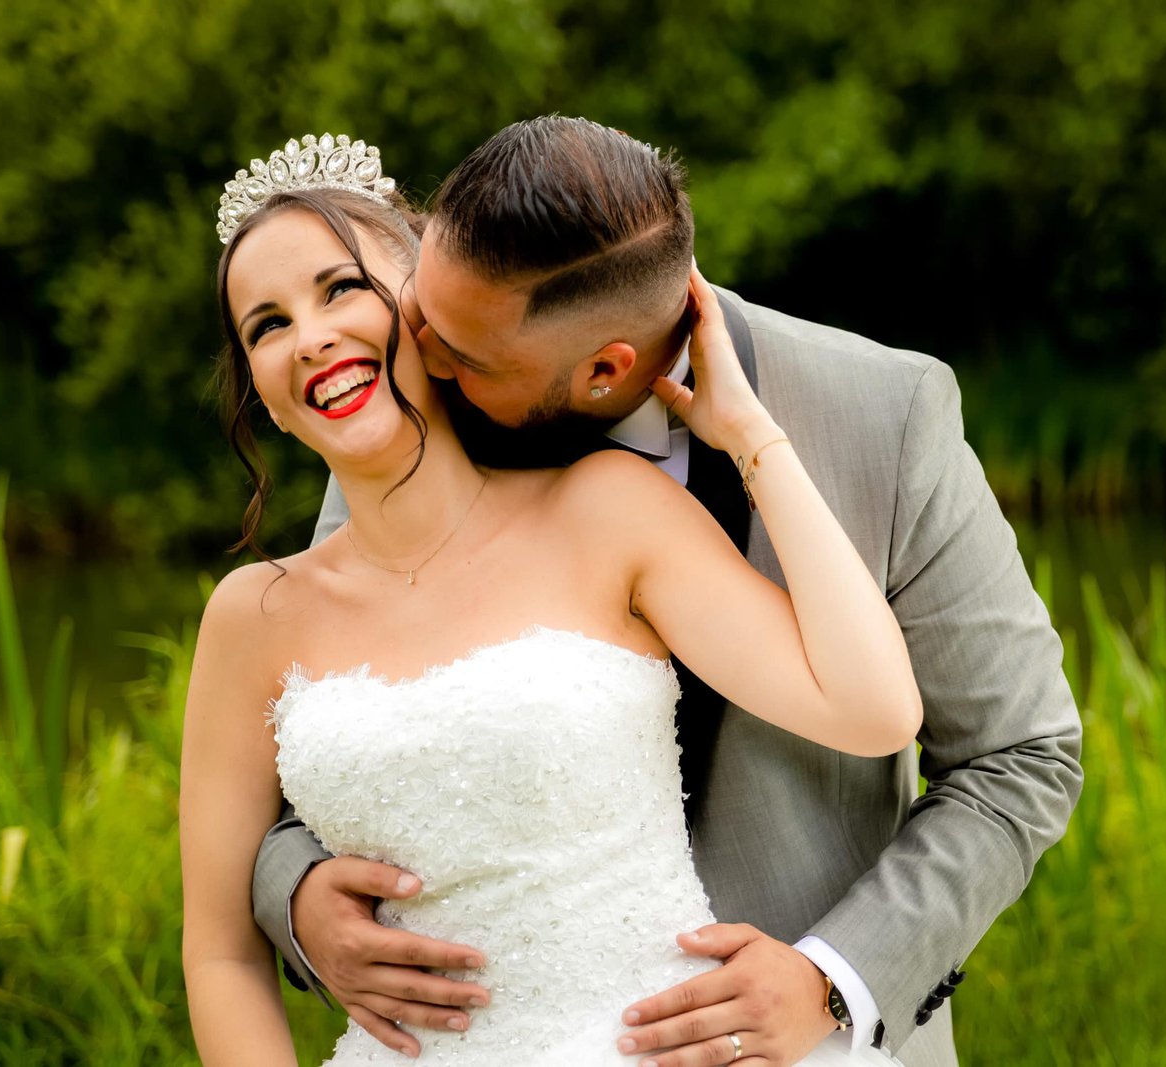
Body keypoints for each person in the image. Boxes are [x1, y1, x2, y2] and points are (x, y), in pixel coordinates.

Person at [250, 118, 1084, 1067]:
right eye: (420, 316)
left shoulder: (886, 416)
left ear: (606, 367)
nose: (420, 359)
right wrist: (303, 897)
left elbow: (1021, 754)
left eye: (463, 356)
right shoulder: (409, 402)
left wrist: (833, 978)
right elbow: (306, 721)